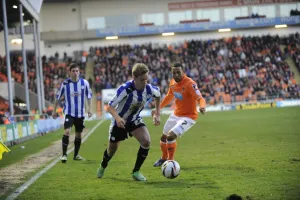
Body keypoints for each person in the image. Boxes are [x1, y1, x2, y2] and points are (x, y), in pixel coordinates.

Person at [96, 63, 161, 181]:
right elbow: (110, 106)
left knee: (146, 141)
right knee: (111, 151)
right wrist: (117, 118)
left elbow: (158, 95)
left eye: (146, 79)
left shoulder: (149, 89)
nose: (145, 82)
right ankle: (103, 165)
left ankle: (136, 171)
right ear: (134, 77)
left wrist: (157, 113)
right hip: (119, 122)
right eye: (142, 80)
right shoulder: (125, 89)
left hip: (134, 120)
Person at [152, 63, 206, 167]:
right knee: (163, 137)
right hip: (176, 114)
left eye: (178, 72)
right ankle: (163, 158)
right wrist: (158, 108)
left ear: (183, 72)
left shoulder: (190, 84)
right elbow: (168, 97)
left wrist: (202, 106)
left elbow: (200, 98)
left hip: (189, 117)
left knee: (171, 136)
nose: (176, 75)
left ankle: (170, 162)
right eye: (174, 73)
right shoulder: (172, 83)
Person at [52, 63, 92, 163]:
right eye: (73, 71)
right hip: (69, 113)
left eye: (77, 71)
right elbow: (57, 98)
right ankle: (64, 154)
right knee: (67, 131)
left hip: (80, 114)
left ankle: (76, 155)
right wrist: (54, 111)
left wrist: (89, 109)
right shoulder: (65, 84)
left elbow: (89, 96)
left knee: (78, 135)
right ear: (69, 72)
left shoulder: (84, 83)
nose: (75, 73)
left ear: (79, 72)